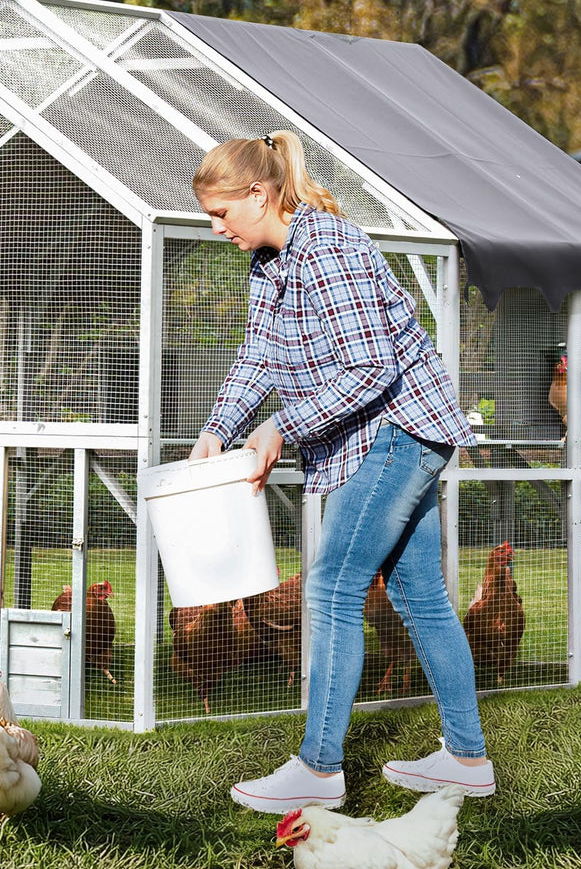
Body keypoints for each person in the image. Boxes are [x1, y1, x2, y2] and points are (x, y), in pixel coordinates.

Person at [189, 130, 494, 813]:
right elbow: (259, 358)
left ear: (259, 195)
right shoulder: (270, 267)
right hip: (388, 438)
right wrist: (219, 429)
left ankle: (319, 770)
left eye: (221, 213)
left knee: (329, 587)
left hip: (397, 433)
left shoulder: (328, 248)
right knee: (419, 597)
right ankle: (467, 757)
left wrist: (278, 427)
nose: (217, 229)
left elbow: (371, 367)